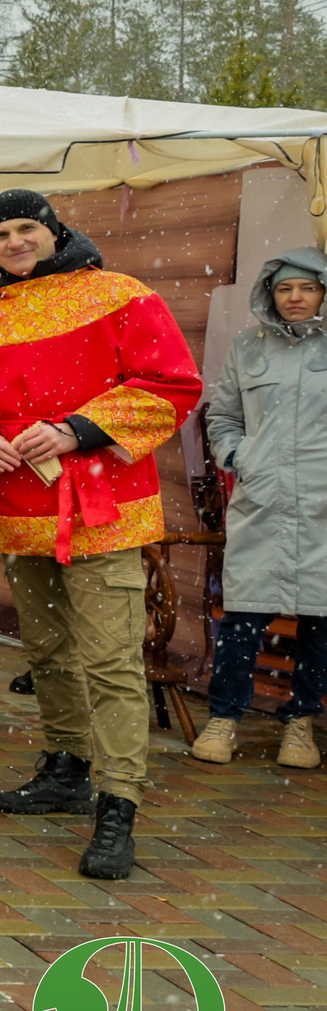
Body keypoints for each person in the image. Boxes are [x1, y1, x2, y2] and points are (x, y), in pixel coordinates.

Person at [0, 191, 200, 881]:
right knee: (47, 650)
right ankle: (67, 765)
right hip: (18, 512)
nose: (15, 242)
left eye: (27, 228)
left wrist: (79, 428)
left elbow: (171, 383)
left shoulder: (122, 296)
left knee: (110, 659)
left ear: (54, 232)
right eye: (0, 234)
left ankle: (118, 803)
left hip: (103, 512)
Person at [195, 248, 327, 771]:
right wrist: (239, 457)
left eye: (307, 287)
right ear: (270, 294)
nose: (295, 298)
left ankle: (301, 723)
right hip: (263, 501)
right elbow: (223, 415)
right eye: (284, 288)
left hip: (321, 504)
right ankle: (224, 718)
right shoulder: (248, 347)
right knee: (243, 616)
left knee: (320, 619)